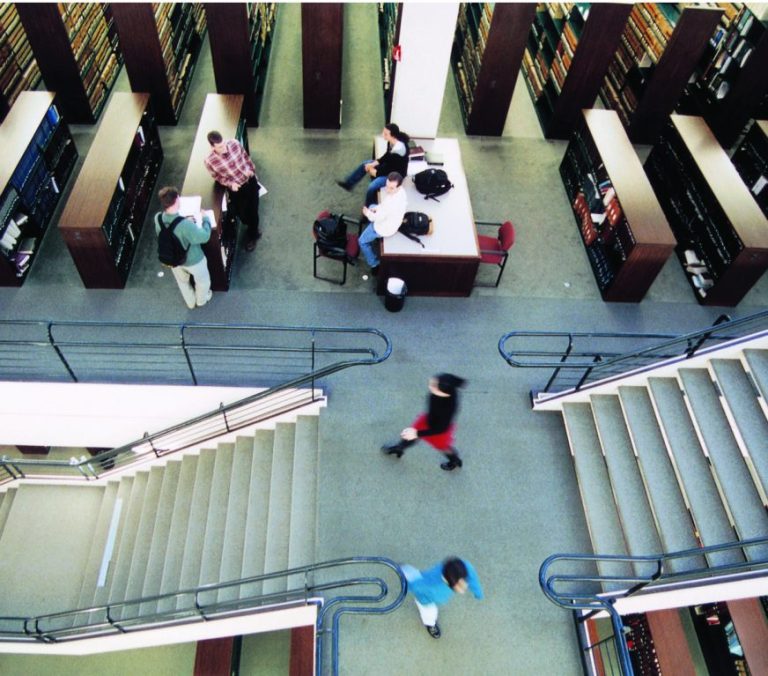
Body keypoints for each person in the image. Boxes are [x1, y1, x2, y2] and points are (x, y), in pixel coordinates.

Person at [382, 373, 466, 470]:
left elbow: (441, 428)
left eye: (434, 386)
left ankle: (454, 460)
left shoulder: (448, 408)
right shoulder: (439, 393)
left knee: (443, 447)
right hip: (428, 419)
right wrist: (415, 433)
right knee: (409, 434)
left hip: (438, 431)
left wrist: (417, 433)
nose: (430, 387)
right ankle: (399, 448)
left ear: (444, 393)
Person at [203, 130, 262, 251]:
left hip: (250, 181)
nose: (224, 148)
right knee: (243, 214)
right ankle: (251, 226)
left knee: (253, 210)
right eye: (220, 147)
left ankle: (253, 234)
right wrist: (230, 184)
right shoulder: (210, 161)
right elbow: (217, 177)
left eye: (224, 144)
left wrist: (252, 170)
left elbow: (246, 157)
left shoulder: (234, 144)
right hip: (237, 188)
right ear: (212, 147)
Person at [156, 186, 213, 309]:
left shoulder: (158, 218)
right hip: (193, 260)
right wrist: (205, 219)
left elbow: (171, 229)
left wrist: (183, 221)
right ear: (176, 200)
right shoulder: (185, 225)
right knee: (203, 281)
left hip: (173, 260)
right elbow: (204, 236)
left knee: (183, 282)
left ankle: (190, 302)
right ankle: (201, 300)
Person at [401, 557, 483, 639]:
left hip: (425, 581)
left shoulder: (464, 568)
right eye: (459, 586)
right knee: (430, 613)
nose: (463, 589)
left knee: (414, 574)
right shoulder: (432, 587)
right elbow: (415, 586)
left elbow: (472, 579)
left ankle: (403, 569)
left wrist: (478, 592)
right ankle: (430, 624)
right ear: (447, 582)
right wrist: (408, 588)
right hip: (426, 599)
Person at [337, 123, 410, 206]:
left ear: (393, 136)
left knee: (372, 186)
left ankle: (369, 209)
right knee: (365, 164)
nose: (383, 135)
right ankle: (348, 184)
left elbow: (388, 170)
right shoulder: (392, 142)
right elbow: (386, 157)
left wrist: (374, 172)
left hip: (395, 175)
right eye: (383, 132)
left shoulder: (398, 151)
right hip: (389, 167)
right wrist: (373, 164)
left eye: (385, 134)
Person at [358, 171, 407, 274]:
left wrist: (367, 213)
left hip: (383, 228)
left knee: (362, 241)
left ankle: (374, 263)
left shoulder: (392, 204)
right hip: (391, 222)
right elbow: (384, 206)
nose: (388, 190)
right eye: (387, 185)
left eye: (391, 188)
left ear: (398, 187)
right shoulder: (401, 192)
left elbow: (375, 218)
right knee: (372, 206)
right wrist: (376, 208)